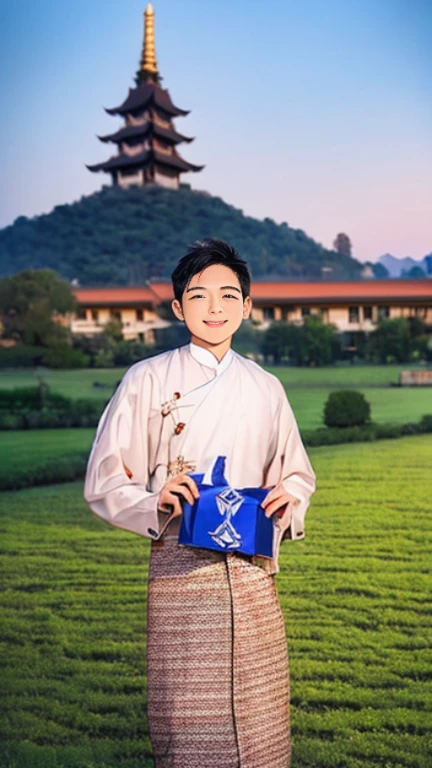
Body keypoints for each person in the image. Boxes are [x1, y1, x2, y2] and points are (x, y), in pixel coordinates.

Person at [84, 238, 316, 768]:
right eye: (200, 295)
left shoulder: (266, 386)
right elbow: (104, 478)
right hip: (179, 572)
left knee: (261, 723)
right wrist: (153, 500)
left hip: (254, 571)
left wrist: (290, 498)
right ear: (177, 306)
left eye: (228, 295)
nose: (215, 308)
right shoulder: (147, 379)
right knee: (188, 719)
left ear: (247, 306)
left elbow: (297, 472)